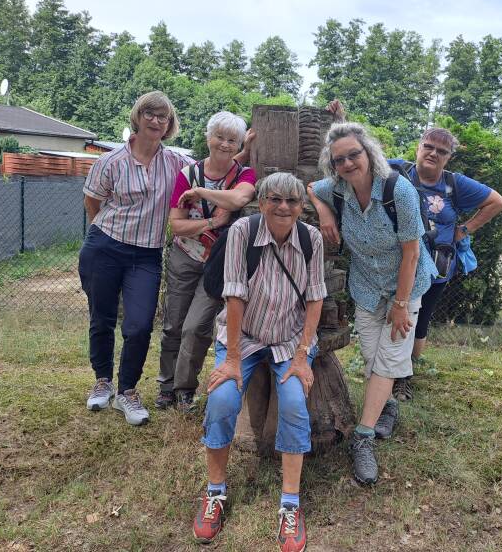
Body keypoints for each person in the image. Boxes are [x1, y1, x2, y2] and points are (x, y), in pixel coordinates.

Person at [324, 102, 502, 402]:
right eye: (428, 146)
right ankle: (388, 376)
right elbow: (359, 156)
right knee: (393, 320)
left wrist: (464, 230)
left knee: (418, 322)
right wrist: (341, 120)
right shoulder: (397, 171)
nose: (433, 153)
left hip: (433, 264)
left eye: (441, 151)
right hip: (395, 262)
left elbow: (497, 202)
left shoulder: (455, 184)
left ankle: (404, 377)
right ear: (419, 147)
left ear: (449, 157)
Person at [193, 172, 326, 552]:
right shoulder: (243, 232)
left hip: (290, 339)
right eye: (275, 199)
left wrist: (302, 356)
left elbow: (315, 298)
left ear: (302, 206)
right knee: (221, 399)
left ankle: (290, 505)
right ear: (261, 202)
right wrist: (233, 359)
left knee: (295, 404)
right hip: (244, 336)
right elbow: (234, 295)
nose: (283, 207)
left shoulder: (311, 239)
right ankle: (215, 493)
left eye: (292, 201)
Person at [308, 122, 437, 485]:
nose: (348, 163)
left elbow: (412, 254)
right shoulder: (336, 189)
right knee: (371, 356)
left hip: (405, 286)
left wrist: (401, 303)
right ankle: (388, 406)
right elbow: (310, 188)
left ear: (368, 153)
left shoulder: (398, 191)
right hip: (366, 287)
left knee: (389, 357)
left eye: (354, 154)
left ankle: (362, 439)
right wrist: (324, 211)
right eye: (339, 160)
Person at [79, 91, 192, 426]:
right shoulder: (111, 161)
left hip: (146, 255)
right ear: (138, 117)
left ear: (169, 124)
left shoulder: (176, 163)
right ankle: (102, 382)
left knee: (140, 325)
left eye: (163, 116)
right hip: (105, 246)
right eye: (149, 114)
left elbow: (211, 170)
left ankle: (127, 391)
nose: (156, 121)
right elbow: (92, 202)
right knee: (102, 318)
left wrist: (241, 149)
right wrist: (105, 234)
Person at [155, 112, 257, 413]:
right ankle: (165, 387)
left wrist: (199, 194)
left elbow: (239, 200)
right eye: (219, 137)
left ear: (239, 144)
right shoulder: (187, 173)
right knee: (173, 324)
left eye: (232, 140)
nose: (224, 144)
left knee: (196, 326)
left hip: (219, 262)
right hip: (184, 256)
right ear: (208, 137)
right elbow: (177, 225)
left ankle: (184, 389)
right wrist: (214, 221)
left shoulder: (245, 175)